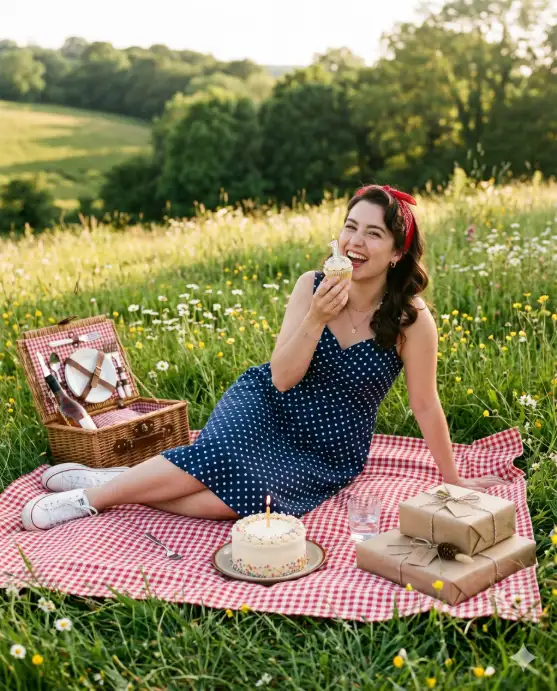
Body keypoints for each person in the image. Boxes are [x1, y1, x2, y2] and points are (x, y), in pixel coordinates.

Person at [20, 184, 510, 531]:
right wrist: (316, 317)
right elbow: (280, 377)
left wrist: (454, 481)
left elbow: (426, 404)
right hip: (268, 403)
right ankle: (87, 501)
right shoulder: (311, 287)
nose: (354, 243)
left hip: (329, 445)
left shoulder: (411, 321)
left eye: (373, 234)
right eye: (350, 227)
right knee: (220, 457)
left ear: (398, 251)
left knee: (252, 502)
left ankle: (128, 479)